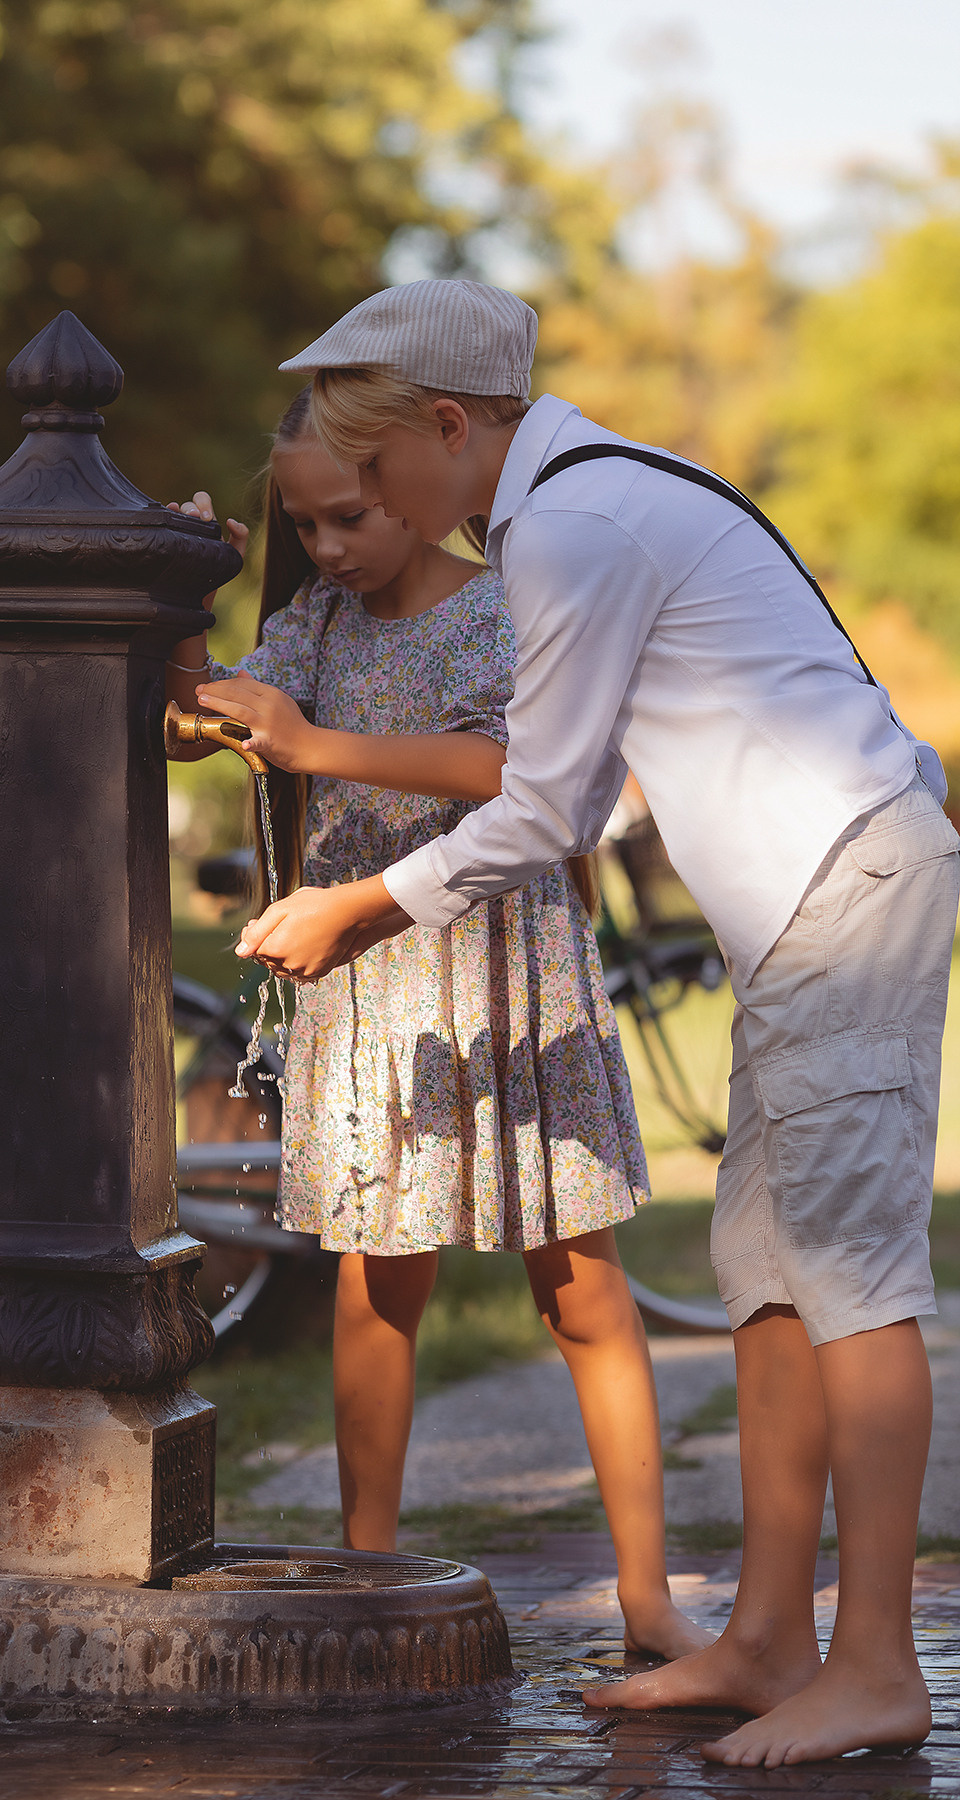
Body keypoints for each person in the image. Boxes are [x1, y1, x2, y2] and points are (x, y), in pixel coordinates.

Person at [234, 280, 960, 1768]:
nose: (372, 500)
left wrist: (360, 905)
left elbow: (550, 806)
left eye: (377, 465)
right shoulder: (582, 494)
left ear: (450, 424)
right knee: (768, 1272)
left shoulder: (570, 527)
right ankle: (767, 1640)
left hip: (847, 886)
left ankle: (877, 1665)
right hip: (809, 902)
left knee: (852, 1274)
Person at [165, 386, 711, 1663]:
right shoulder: (316, 622)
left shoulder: (505, 602)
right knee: (377, 1289)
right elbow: (193, 728)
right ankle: (371, 1576)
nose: (328, 547)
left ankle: (648, 1599)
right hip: (373, 992)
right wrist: (187, 595)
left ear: (411, 483)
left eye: (348, 517)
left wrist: (316, 746)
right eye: (303, 525)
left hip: (508, 975)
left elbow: (512, 770)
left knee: (581, 1295)